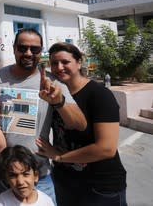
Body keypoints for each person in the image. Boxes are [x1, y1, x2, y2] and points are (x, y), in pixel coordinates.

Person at [0, 28, 87, 206]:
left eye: (35, 49)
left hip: (36, 174)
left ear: (41, 52)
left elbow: (79, 123)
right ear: (14, 48)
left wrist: (58, 101)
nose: (28, 53)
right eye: (23, 48)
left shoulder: (52, 81)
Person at [36, 42, 127, 206]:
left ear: (79, 62)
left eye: (65, 62)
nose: (59, 67)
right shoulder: (55, 92)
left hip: (100, 185)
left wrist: (59, 156)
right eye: (54, 63)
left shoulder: (99, 95)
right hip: (66, 181)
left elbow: (106, 148)